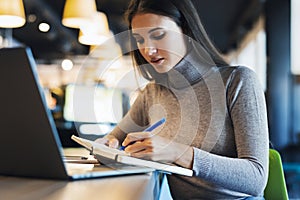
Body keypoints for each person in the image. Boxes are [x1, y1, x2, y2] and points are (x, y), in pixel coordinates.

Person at [95, 0, 269, 199]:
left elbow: (256, 178)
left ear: (185, 31)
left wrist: (176, 152)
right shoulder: (152, 93)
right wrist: (106, 145)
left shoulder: (236, 80)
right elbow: (114, 139)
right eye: (139, 40)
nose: (148, 50)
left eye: (158, 35)